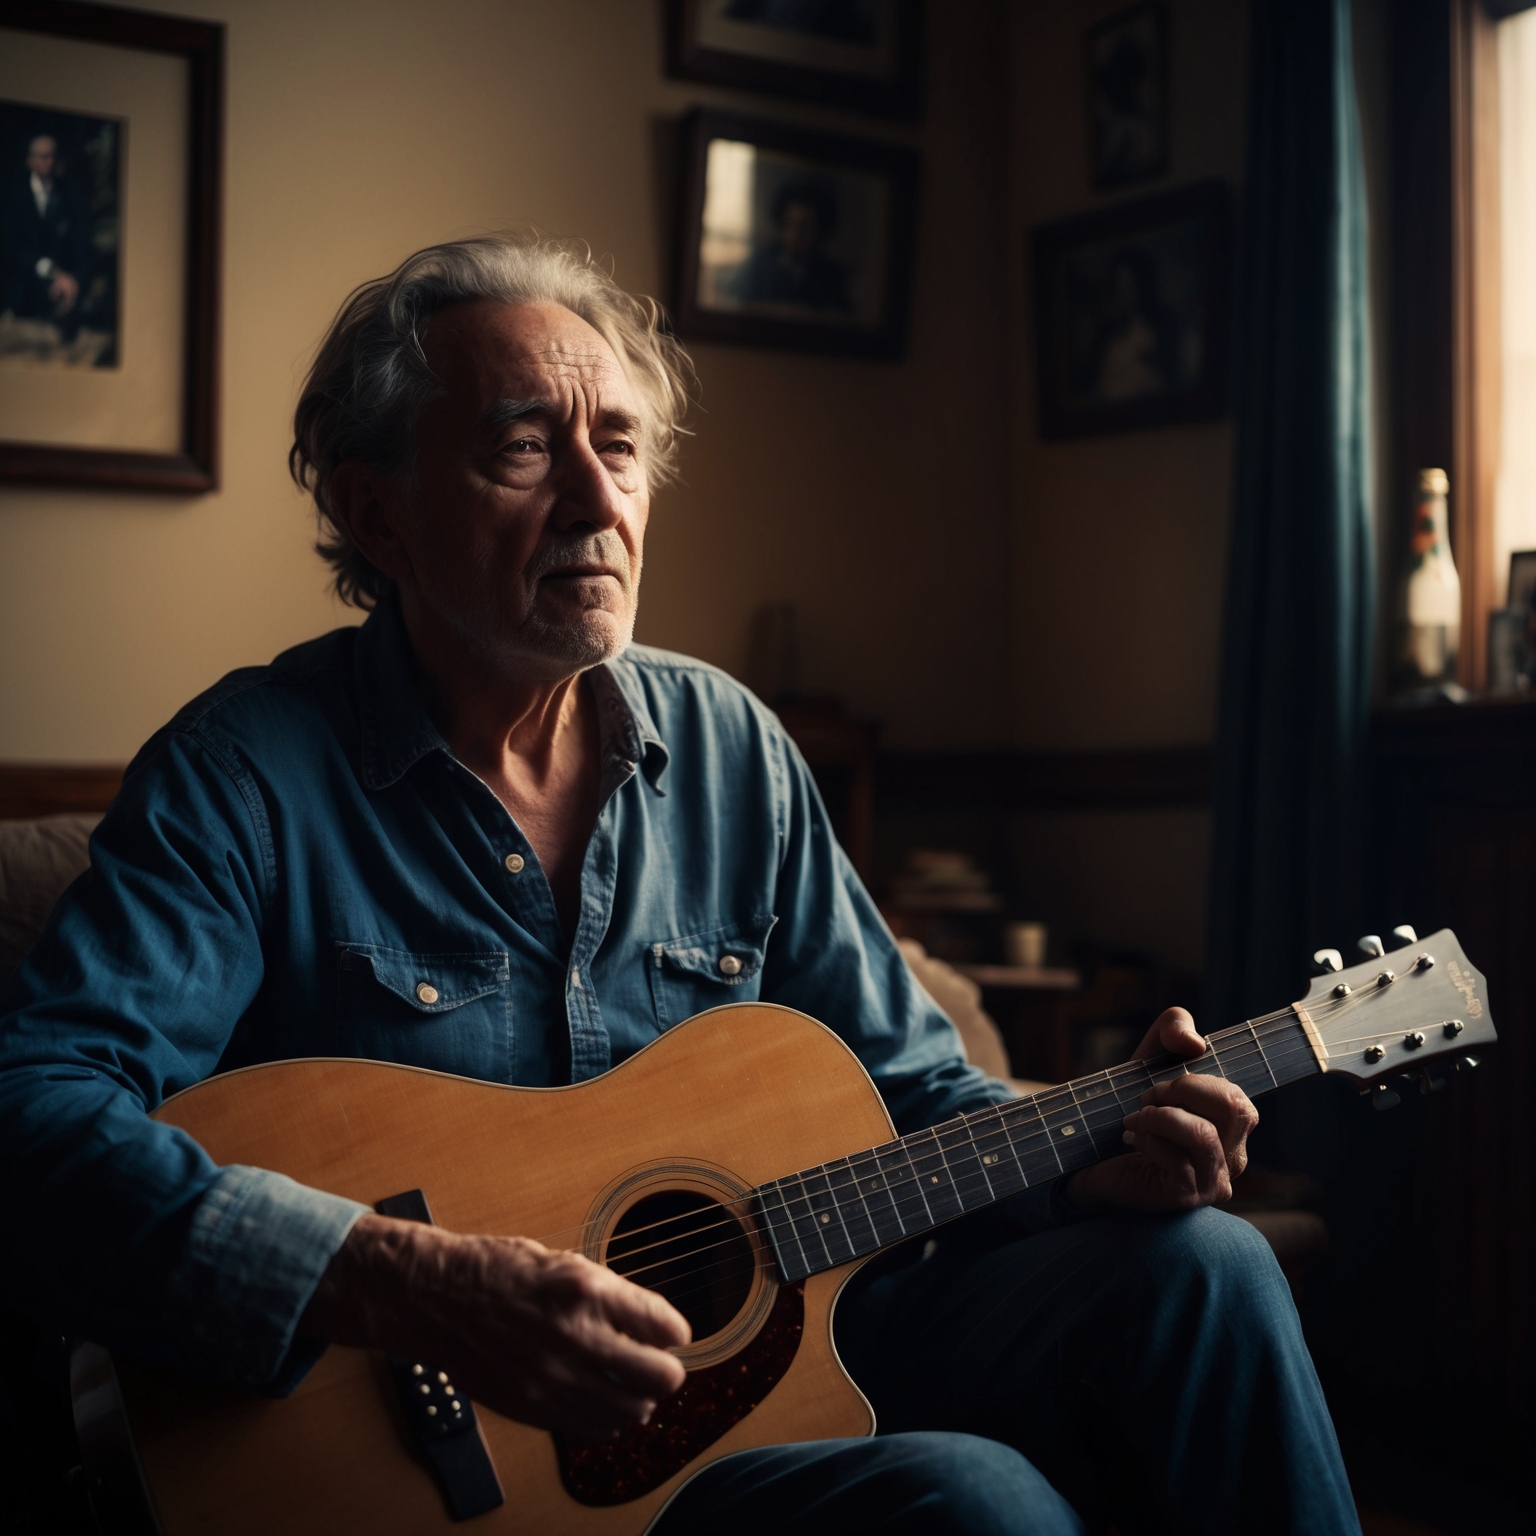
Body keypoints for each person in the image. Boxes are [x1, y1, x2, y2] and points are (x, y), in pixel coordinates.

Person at [0, 235, 1359, 1535]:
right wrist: (403, 1285)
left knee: (1210, 1266)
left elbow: (920, 1101)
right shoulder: (245, 775)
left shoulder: (730, 749)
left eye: (623, 448)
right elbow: (36, 1119)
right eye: (525, 449)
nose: (598, 504)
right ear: (377, 511)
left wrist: (1089, 1158)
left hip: (764, 1392)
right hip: (473, 1479)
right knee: (977, 1506)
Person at [1, 133, 90, 337]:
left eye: (53, 156)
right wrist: (54, 272)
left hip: (66, 284)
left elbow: (82, 247)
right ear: (30, 160)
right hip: (26, 282)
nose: (49, 161)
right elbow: (13, 249)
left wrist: (72, 279)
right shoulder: (14, 197)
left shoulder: (70, 197)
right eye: (43, 156)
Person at [729, 177, 851, 314]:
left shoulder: (832, 275)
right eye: (788, 223)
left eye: (804, 226)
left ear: (820, 229)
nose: (795, 234)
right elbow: (735, 305)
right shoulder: (758, 266)